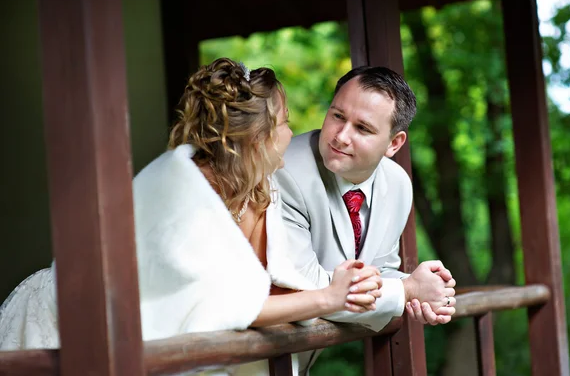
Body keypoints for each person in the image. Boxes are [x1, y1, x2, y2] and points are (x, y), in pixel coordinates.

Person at [0, 58, 382, 375]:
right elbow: (235, 306)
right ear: (258, 138)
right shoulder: (185, 193)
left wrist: (340, 285)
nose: (292, 132)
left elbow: (262, 286)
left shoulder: (259, 191)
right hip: (64, 316)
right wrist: (331, 297)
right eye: (284, 122)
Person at [274, 65, 457, 373]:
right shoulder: (284, 169)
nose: (341, 137)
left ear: (394, 144)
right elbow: (304, 287)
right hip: (242, 356)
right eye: (337, 116)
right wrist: (406, 291)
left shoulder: (398, 184)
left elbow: (380, 270)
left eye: (363, 129)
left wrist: (427, 289)